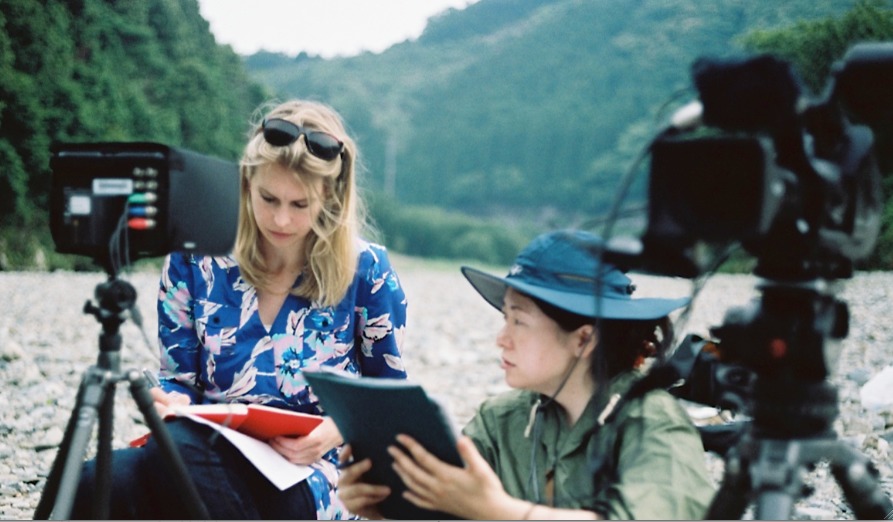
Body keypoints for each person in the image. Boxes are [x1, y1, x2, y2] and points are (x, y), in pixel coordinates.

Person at [72, 99, 408, 519]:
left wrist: (333, 431)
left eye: (300, 205)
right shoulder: (195, 259)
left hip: (312, 469)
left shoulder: (366, 270)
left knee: (180, 466)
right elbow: (179, 377)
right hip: (203, 450)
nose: (281, 220)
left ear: (330, 198)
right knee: (94, 481)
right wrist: (170, 405)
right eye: (268, 198)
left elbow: (390, 396)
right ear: (247, 182)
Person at [337, 229, 714, 520]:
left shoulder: (652, 422)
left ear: (583, 340)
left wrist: (497, 510)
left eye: (519, 321)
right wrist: (389, 507)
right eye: (505, 319)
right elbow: (452, 508)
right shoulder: (502, 421)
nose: (502, 339)